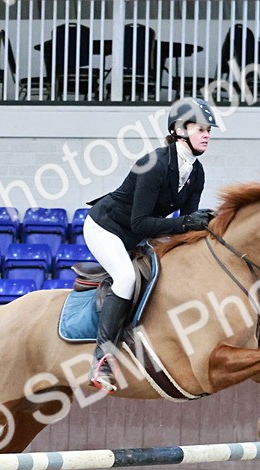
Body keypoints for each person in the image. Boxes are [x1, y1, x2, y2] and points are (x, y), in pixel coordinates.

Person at [83, 97, 219, 393]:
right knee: (126, 278)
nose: (207, 135)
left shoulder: (196, 173)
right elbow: (140, 223)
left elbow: (185, 226)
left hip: (137, 234)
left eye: (209, 130)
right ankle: (102, 360)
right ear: (179, 130)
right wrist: (187, 222)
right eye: (200, 129)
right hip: (106, 228)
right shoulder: (153, 164)